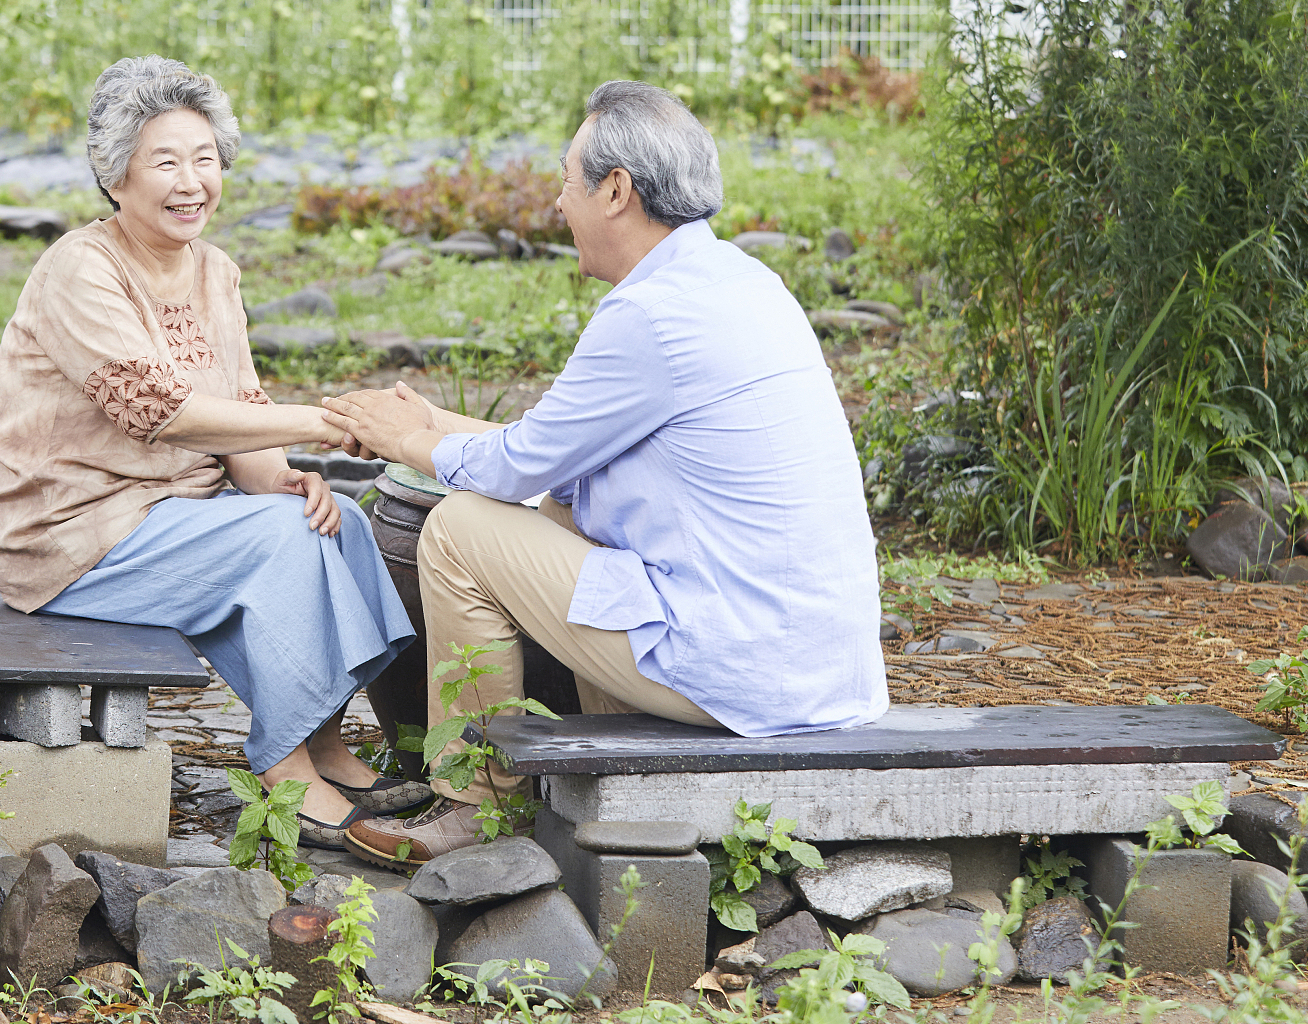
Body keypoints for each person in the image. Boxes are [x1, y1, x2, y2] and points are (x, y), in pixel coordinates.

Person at [323, 80, 889, 869]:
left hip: (745, 672)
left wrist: (411, 444)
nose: (558, 203)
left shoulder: (649, 317)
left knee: (454, 530)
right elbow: (555, 446)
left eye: (565, 177)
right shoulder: (741, 284)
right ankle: (560, 769)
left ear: (616, 190)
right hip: (812, 666)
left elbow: (522, 462)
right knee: (553, 513)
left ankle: (477, 806)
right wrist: (421, 423)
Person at [0, 54, 429, 846]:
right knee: (281, 544)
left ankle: (324, 742)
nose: (192, 181)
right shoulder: (80, 268)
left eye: (205, 159)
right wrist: (318, 420)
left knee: (338, 521)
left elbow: (239, 412)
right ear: (116, 176)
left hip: (169, 514)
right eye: (166, 161)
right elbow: (161, 409)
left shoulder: (214, 271)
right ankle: (284, 770)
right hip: (72, 530)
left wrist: (290, 478)